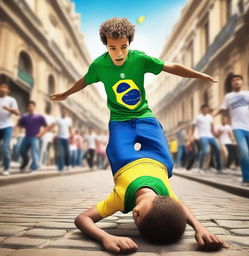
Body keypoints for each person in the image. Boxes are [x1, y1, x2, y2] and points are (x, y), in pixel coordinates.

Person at [50, 17, 224, 253]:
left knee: (117, 152)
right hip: (150, 148)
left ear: (129, 43)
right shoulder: (99, 65)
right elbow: (85, 80)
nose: (119, 53)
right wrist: (199, 228)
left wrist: (199, 75)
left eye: (123, 47)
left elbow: (170, 67)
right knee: (169, 163)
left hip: (137, 125)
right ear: (106, 46)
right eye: (113, 48)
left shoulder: (140, 59)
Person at [216, 74, 249, 185]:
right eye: (233, 80)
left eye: (238, 79)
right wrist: (213, 116)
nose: (236, 81)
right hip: (237, 128)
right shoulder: (228, 97)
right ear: (231, 84)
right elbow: (222, 110)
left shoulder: (248, 94)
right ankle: (247, 179)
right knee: (244, 152)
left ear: (242, 82)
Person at [18, 101, 50, 172]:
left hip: (35, 138)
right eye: (29, 106)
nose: (30, 107)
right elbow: (19, 125)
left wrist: (40, 134)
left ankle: (34, 168)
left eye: (32, 106)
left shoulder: (39, 117)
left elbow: (47, 127)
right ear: (27, 107)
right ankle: (26, 162)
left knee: (34, 153)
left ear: (34, 107)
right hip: (26, 137)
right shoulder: (24, 117)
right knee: (21, 151)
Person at [192, 105, 222, 173]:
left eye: (206, 109)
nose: (205, 111)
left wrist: (216, 134)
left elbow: (212, 127)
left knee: (217, 149)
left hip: (210, 136)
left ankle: (219, 168)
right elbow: (193, 127)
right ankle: (200, 168)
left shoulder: (210, 117)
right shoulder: (198, 117)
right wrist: (192, 135)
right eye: (204, 109)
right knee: (204, 151)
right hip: (202, 136)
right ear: (201, 110)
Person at [0, 81, 20, 175]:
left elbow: (17, 113)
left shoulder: (11, 100)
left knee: (5, 146)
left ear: (8, 90)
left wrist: (9, 109)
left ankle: (6, 168)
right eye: (1, 87)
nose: (3, 89)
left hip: (7, 126)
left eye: (5, 87)